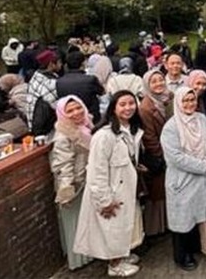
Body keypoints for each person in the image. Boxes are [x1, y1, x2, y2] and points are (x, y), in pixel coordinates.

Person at [73, 91, 144, 277]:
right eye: (123, 104)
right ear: (113, 108)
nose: (128, 108)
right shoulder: (103, 136)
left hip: (127, 187)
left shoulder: (132, 129)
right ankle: (115, 265)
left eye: (131, 103)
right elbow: (96, 171)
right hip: (112, 190)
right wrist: (104, 200)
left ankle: (122, 254)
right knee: (112, 229)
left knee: (124, 226)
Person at [161, 86, 206, 271]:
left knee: (197, 215)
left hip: (201, 178)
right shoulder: (171, 127)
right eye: (185, 100)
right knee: (183, 219)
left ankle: (196, 246)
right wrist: (202, 166)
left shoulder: (200, 118)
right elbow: (175, 157)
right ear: (178, 102)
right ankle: (182, 256)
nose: (189, 104)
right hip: (183, 180)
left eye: (192, 100)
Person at [49, 95, 94, 270]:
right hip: (74, 184)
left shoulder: (85, 126)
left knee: (84, 219)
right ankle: (78, 260)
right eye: (69, 111)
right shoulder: (63, 135)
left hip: (85, 179)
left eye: (78, 108)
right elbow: (63, 164)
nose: (76, 113)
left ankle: (88, 253)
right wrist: (66, 189)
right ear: (61, 114)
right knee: (75, 222)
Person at [139, 69, 172, 238]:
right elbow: (149, 137)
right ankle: (156, 228)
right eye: (154, 81)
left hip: (171, 150)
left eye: (161, 80)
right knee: (158, 193)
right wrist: (163, 154)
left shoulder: (168, 98)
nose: (159, 84)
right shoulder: (146, 107)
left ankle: (168, 222)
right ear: (147, 85)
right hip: (159, 155)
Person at [57, 51, 105, 124]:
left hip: (70, 117)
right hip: (91, 117)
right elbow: (102, 92)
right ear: (83, 64)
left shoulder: (59, 81)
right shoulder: (90, 79)